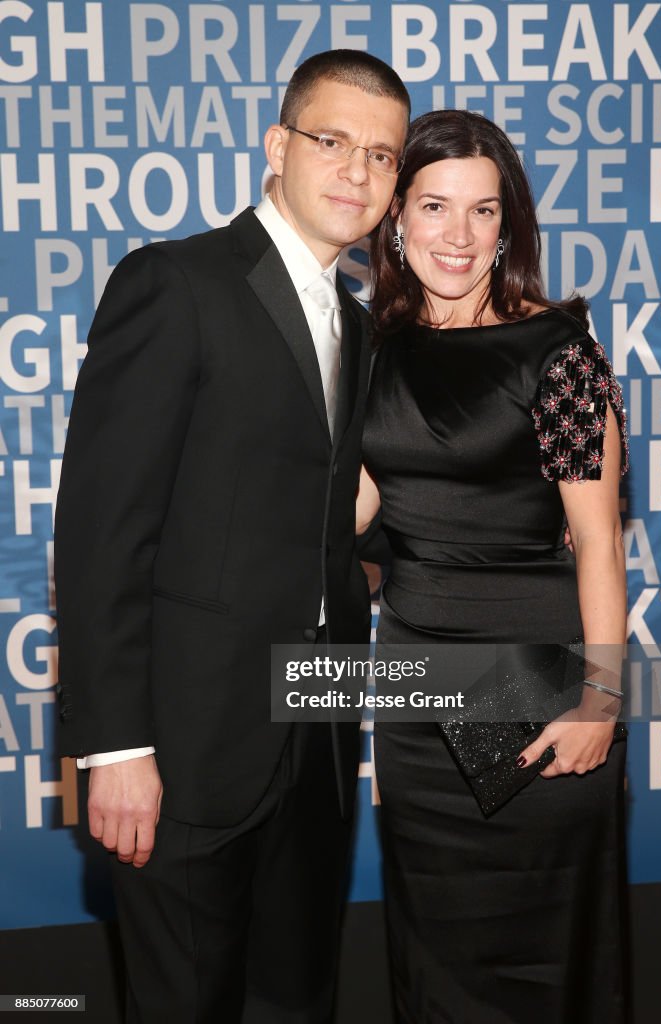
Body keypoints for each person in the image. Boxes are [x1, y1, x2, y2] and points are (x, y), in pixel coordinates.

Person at [54, 50, 409, 1024]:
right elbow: (99, 535)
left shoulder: (359, 325)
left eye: (381, 156)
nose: (356, 173)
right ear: (275, 146)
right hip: (185, 753)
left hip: (317, 751)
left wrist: (364, 542)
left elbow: (311, 513)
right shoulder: (174, 284)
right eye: (331, 142)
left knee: (297, 1002)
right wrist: (115, 743)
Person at [357, 109, 629, 1023]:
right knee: (435, 954)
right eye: (434, 207)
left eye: (483, 211)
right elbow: (356, 510)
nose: (458, 236)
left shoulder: (557, 357)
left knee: (534, 955)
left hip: (529, 683)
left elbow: (597, 539)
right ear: (395, 216)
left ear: (508, 223)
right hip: (412, 684)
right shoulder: (369, 349)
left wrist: (600, 698)